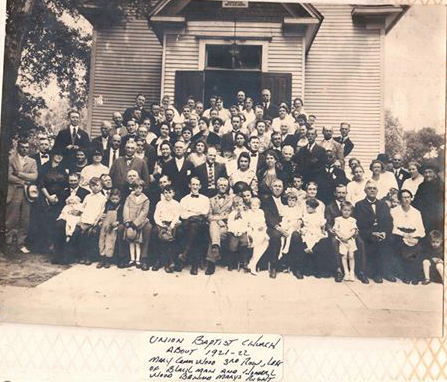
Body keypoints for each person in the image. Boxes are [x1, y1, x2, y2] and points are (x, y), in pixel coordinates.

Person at [325, 184, 368, 284]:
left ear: (346, 193)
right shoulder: (330, 207)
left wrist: (354, 232)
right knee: (334, 242)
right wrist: (332, 230)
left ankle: (361, 271)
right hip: (337, 234)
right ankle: (339, 270)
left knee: (360, 242)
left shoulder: (351, 206)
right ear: (335, 193)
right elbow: (328, 223)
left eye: (343, 193)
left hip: (350, 234)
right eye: (339, 192)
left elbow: (355, 222)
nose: (341, 195)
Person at [354, 180, 395, 283]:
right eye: (369, 188)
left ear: (377, 191)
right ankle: (375, 273)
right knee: (372, 244)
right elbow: (359, 223)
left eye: (374, 188)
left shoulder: (383, 205)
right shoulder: (359, 205)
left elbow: (389, 221)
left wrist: (385, 232)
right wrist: (372, 233)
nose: (372, 190)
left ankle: (387, 272)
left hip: (382, 233)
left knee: (390, 242)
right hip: (367, 233)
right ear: (365, 191)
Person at [6, 139, 38, 253]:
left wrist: (19, 174)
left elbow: (34, 176)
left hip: (27, 193)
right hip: (14, 191)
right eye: (22, 147)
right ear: (18, 147)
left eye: (26, 147)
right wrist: (24, 181)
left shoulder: (32, 161)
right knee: (12, 218)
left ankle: (21, 243)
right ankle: (8, 243)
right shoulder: (11, 160)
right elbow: (9, 176)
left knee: (25, 219)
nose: (25, 149)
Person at [37, 146, 67, 254]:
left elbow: (65, 184)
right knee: (45, 221)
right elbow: (41, 183)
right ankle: (45, 245)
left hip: (59, 198)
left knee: (57, 220)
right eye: (57, 154)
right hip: (46, 197)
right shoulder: (45, 167)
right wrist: (48, 197)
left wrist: (59, 197)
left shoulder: (63, 168)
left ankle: (55, 245)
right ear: (53, 155)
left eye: (61, 155)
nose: (59, 157)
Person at [391, 189, 425, 284]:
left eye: (408, 197)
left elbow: (421, 230)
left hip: (413, 236)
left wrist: (414, 236)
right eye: (404, 197)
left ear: (411, 198)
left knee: (417, 249)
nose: (406, 199)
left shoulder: (416, 212)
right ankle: (405, 275)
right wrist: (403, 235)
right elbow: (392, 228)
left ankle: (414, 275)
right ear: (400, 199)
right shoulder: (394, 211)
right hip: (399, 236)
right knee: (403, 248)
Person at [71, 177, 107, 265]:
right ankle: (80, 255)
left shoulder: (103, 198)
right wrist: (78, 215)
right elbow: (83, 207)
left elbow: (102, 211)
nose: (95, 187)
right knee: (77, 233)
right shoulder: (88, 197)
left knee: (90, 234)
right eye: (92, 185)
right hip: (85, 219)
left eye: (97, 185)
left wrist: (97, 221)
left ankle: (89, 257)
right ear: (90, 187)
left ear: (101, 187)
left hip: (94, 220)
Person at [178, 177, 210, 275]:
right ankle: (194, 264)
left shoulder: (205, 199)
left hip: (201, 224)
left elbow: (205, 213)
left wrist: (190, 213)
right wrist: (196, 214)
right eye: (193, 184)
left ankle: (185, 254)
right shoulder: (184, 199)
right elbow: (183, 214)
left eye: (197, 185)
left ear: (200, 186)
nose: (195, 187)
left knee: (195, 227)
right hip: (188, 224)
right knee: (193, 227)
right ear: (189, 185)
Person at [206, 177, 233, 275]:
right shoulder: (211, 200)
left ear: (227, 187)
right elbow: (208, 216)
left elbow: (233, 214)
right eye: (221, 185)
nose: (223, 187)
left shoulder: (231, 199)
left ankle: (211, 261)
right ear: (217, 186)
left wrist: (219, 218)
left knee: (214, 234)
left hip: (226, 225)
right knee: (214, 228)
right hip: (214, 225)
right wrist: (220, 218)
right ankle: (215, 249)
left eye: (225, 185)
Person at [153, 186, 182, 273]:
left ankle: (171, 262)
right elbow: (156, 216)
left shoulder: (176, 204)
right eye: (165, 193)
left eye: (170, 192)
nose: (168, 195)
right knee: (156, 232)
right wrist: (161, 225)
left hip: (172, 224)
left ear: (173, 193)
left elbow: (177, 216)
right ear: (163, 194)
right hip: (162, 224)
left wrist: (171, 226)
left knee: (172, 236)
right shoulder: (160, 204)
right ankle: (159, 261)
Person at [123, 179, 150, 268]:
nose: (138, 190)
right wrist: (127, 220)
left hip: (138, 222)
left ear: (142, 188)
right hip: (130, 221)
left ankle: (138, 260)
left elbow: (144, 212)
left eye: (140, 188)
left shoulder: (145, 199)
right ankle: (132, 259)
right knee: (131, 240)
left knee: (137, 241)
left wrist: (136, 223)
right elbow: (126, 208)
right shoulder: (129, 198)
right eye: (136, 188)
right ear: (133, 188)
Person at [412, 163, 444, 232]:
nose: (427, 175)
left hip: (437, 218)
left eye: (430, 172)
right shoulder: (421, 186)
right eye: (425, 172)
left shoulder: (441, 186)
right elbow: (416, 201)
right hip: (423, 216)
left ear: (435, 173)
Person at [98, 188, 123, 269]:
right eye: (113, 199)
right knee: (102, 239)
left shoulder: (120, 206)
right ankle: (102, 258)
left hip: (113, 225)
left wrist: (118, 222)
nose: (114, 201)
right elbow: (103, 213)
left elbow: (122, 218)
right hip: (105, 224)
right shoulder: (107, 204)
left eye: (116, 199)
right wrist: (101, 220)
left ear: (120, 198)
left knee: (110, 240)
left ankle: (108, 259)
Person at [333, 201, 358, 281]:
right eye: (344, 210)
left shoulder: (352, 220)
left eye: (348, 210)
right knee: (344, 256)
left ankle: (352, 272)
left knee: (351, 256)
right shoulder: (338, 219)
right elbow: (335, 230)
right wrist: (340, 236)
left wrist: (347, 237)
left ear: (351, 211)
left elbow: (354, 230)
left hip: (350, 240)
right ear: (341, 210)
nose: (346, 212)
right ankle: (346, 272)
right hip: (341, 240)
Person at [227, 196, 251, 272]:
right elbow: (230, 224)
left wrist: (242, 231)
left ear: (243, 205)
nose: (238, 207)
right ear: (233, 207)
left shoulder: (245, 214)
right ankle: (231, 263)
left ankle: (244, 262)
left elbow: (247, 223)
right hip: (234, 233)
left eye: (240, 205)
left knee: (244, 243)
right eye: (236, 206)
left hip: (242, 232)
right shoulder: (232, 214)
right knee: (232, 246)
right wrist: (234, 231)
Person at [279, 190, 303, 255]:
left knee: (290, 232)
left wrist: (291, 224)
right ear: (287, 201)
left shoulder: (297, 209)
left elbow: (298, 219)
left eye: (293, 200)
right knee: (282, 236)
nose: (291, 202)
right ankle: (280, 251)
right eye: (289, 200)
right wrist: (285, 225)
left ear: (296, 201)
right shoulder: (285, 208)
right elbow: (283, 218)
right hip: (286, 223)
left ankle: (287, 247)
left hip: (294, 225)